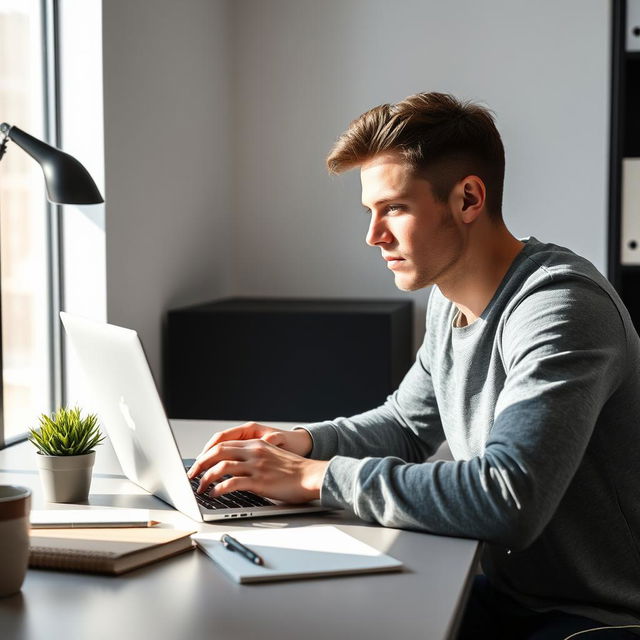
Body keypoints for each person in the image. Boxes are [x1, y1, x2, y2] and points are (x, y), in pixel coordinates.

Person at [187, 92, 640, 638]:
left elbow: (506, 497)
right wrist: (304, 443)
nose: (373, 235)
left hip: (594, 619)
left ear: (468, 199)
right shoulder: (449, 299)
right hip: (512, 597)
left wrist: (316, 478)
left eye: (395, 209)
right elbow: (406, 425)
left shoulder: (560, 307)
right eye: (370, 212)